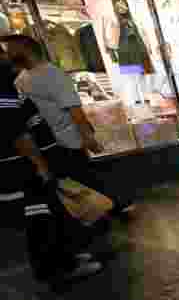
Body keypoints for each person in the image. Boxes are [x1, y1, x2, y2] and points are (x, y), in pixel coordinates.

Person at [1, 34, 133, 215]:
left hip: (67, 139)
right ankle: (110, 204)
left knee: (83, 177)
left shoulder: (52, 73)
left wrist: (87, 137)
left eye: (10, 49)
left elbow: (74, 109)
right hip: (48, 143)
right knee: (77, 178)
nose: (6, 53)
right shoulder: (20, 79)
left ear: (26, 49)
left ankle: (115, 203)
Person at [0, 57, 102, 285]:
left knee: (49, 215)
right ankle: (57, 268)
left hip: (30, 164)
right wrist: (40, 165)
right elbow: (17, 133)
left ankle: (64, 258)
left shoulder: (10, 88)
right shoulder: (3, 91)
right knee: (40, 220)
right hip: (22, 169)